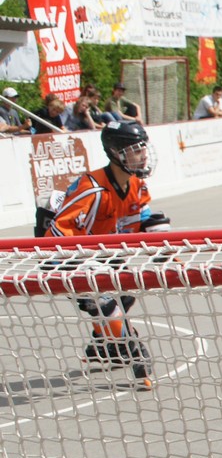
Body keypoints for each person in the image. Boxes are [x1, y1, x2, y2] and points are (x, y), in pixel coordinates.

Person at [45, 120, 170, 391]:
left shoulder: (136, 185)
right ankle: (134, 353)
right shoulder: (92, 188)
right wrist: (75, 267)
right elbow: (58, 232)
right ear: (116, 153)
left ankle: (103, 345)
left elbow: (142, 220)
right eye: (136, 150)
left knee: (125, 293)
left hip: (100, 249)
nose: (143, 155)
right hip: (67, 252)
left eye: (143, 148)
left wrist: (161, 242)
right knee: (104, 303)